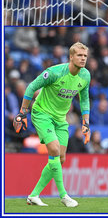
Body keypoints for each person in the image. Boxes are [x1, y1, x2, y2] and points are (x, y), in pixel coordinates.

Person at [13, 42, 92, 207]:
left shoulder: (85, 76)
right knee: (54, 149)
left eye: (85, 55)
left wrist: (86, 123)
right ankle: (64, 195)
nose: (83, 58)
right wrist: (22, 113)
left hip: (61, 119)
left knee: (60, 158)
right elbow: (31, 87)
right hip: (42, 114)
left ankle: (34, 195)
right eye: (79, 55)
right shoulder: (55, 72)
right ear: (71, 57)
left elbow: (84, 100)